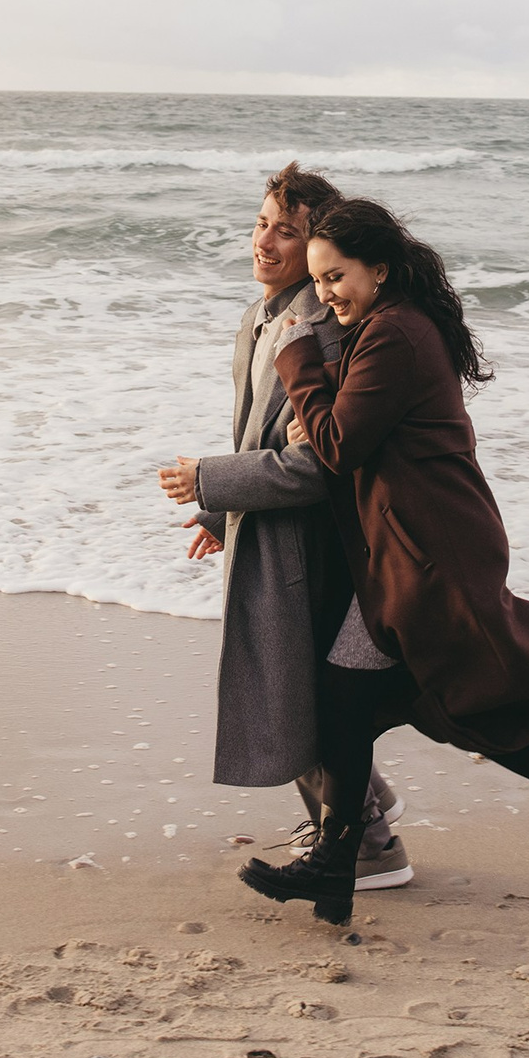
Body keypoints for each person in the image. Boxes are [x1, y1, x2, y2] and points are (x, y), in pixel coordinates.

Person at [239, 197, 529, 926]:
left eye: (337, 277)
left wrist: (299, 362)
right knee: (398, 704)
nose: (325, 294)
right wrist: (318, 398)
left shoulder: (394, 335)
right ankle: (340, 867)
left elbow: (336, 445)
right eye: (319, 281)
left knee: (431, 704)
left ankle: (340, 861)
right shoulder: (384, 328)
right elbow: (343, 431)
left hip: (431, 557)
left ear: (379, 269)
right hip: (411, 550)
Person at [155, 163, 414, 891]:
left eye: (288, 231)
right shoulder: (262, 316)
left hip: (312, 547)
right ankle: (361, 815)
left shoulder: (319, 332)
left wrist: (212, 480)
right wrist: (218, 507)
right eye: (263, 222)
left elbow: (316, 465)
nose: (266, 240)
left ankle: (371, 844)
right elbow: (257, 434)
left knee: (292, 693)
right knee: (290, 690)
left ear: (317, 245)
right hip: (269, 532)